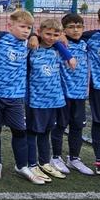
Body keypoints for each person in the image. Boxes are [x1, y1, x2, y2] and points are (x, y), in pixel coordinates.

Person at [0, 9, 40, 184]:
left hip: (16, 96)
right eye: (22, 26)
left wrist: (35, 36)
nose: (26, 30)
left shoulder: (30, 43)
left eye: (29, 28)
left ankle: (21, 165)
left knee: (19, 130)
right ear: (10, 26)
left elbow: (52, 40)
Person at [25, 19, 76, 183]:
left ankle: (44, 162)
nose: (51, 37)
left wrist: (67, 54)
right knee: (33, 132)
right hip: (36, 100)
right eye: (48, 34)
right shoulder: (32, 48)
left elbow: (61, 47)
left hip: (54, 99)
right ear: (40, 32)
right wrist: (32, 35)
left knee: (46, 132)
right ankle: (31, 164)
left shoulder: (58, 49)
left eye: (56, 34)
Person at [52, 13, 94, 176]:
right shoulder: (59, 43)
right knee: (60, 126)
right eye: (71, 27)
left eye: (79, 26)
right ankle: (55, 157)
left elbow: (99, 32)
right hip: (62, 94)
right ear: (64, 29)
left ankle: (74, 158)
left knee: (77, 127)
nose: (76, 30)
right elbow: (40, 34)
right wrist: (60, 35)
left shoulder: (86, 42)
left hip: (80, 95)